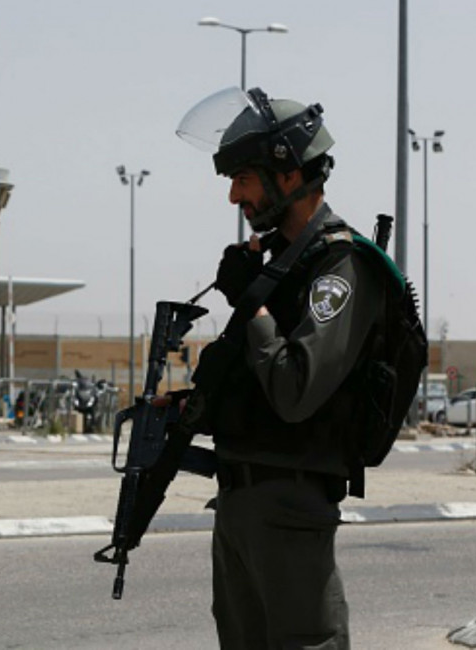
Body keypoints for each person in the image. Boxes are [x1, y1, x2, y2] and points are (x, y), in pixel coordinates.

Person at [177, 87, 390, 649]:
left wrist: (253, 305)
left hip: (291, 502)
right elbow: (249, 382)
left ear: (289, 175)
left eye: (243, 179)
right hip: (241, 496)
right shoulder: (280, 266)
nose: (232, 197)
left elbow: (296, 389)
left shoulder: (341, 266)